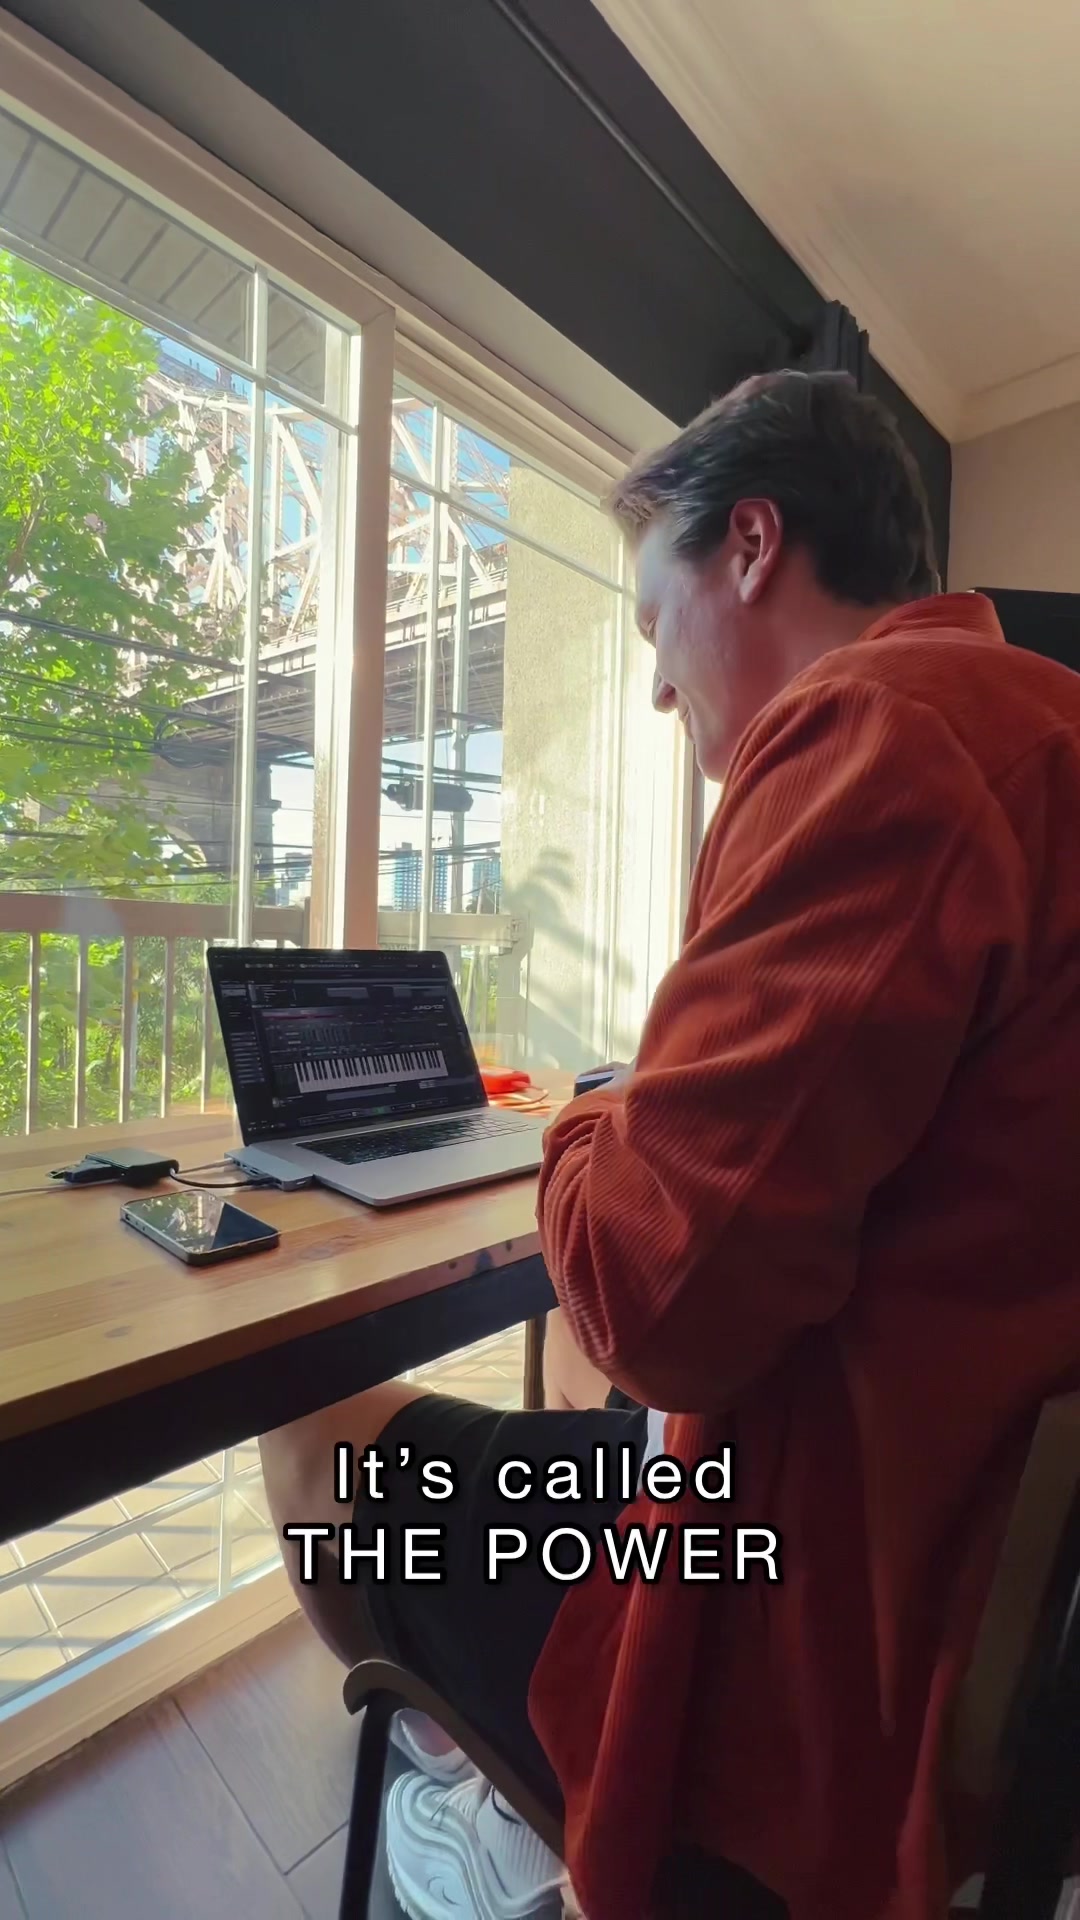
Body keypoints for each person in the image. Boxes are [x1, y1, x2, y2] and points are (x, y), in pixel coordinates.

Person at [259, 369, 1080, 1920]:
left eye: (653, 621)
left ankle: (524, 1804)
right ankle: (524, 1765)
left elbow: (657, 1300)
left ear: (752, 546)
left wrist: (592, 1107)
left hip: (791, 1607)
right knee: (584, 1382)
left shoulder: (884, 727)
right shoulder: (1044, 722)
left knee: (312, 1439)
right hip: (978, 1565)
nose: (654, 687)